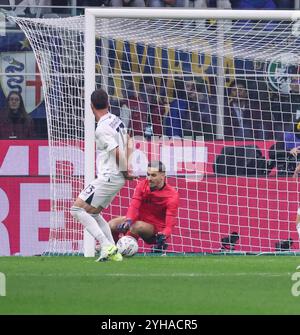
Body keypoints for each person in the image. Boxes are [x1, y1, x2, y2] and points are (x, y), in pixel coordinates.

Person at [70, 88, 136, 262]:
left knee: (76, 209)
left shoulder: (101, 129)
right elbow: (130, 141)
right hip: (115, 177)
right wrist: (126, 168)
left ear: (91, 106)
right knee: (91, 213)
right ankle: (112, 251)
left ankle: (106, 246)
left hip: (110, 176)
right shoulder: (116, 120)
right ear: (108, 103)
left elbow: (116, 152)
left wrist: (125, 170)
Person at [109, 160, 179, 253]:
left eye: (153, 175)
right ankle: (113, 249)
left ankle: (123, 251)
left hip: (155, 230)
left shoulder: (172, 195)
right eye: (148, 174)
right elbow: (134, 206)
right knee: (111, 225)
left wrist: (164, 235)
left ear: (162, 176)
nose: (149, 178)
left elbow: (170, 225)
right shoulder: (142, 185)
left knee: (136, 226)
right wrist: (129, 220)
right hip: (138, 220)